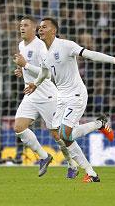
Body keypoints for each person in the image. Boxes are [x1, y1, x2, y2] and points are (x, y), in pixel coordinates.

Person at [24, 17, 115, 183]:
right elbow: (45, 73)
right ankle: (91, 173)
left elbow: (90, 54)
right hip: (62, 98)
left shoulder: (66, 45)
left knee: (65, 134)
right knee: (62, 137)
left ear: (54, 30)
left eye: (44, 27)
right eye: (39, 27)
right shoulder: (45, 54)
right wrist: (35, 84)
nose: (40, 30)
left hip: (76, 95)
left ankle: (99, 124)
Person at [12, 16, 78, 178]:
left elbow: (47, 74)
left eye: (26, 25)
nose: (22, 28)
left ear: (34, 28)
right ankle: (44, 157)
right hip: (30, 94)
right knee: (19, 127)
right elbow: (31, 69)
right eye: (21, 25)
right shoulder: (21, 45)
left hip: (47, 95)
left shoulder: (41, 46)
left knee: (57, 135)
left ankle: (72, 164)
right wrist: (23, 71)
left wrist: (25, 65)